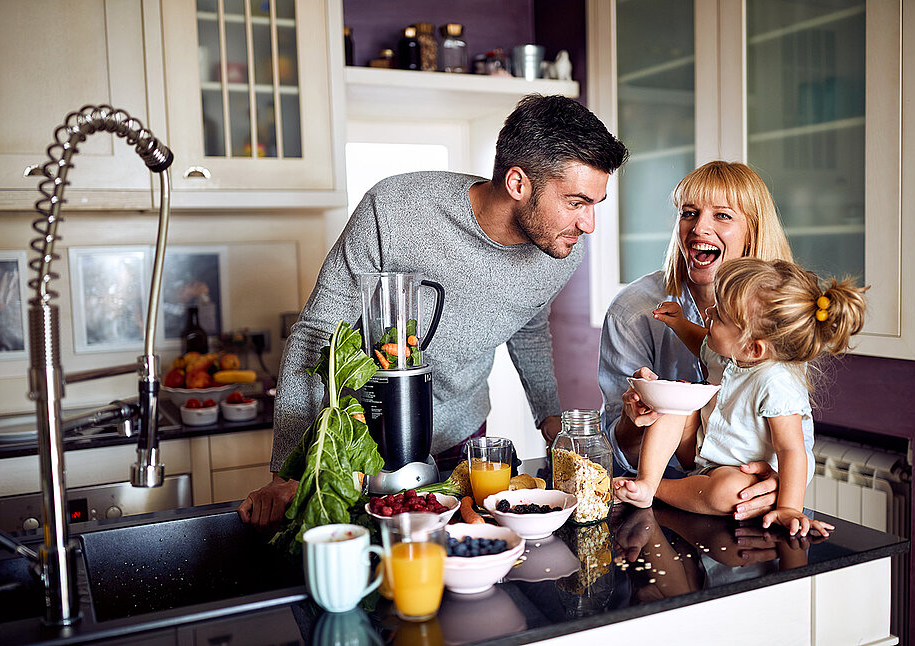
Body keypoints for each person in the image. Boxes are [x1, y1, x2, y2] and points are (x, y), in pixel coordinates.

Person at [239, 94, 629, 529]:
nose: (589, 224)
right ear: (517, 183)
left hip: (463, 441)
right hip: (361, 443)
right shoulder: (394, 210)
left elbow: (528, 326)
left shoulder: (562, 249)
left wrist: (552, 420)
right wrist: (287, 473)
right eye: (576, 202)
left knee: (462, 568)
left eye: (595, 204)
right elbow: (317, 333)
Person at [613, 258, 867, 537]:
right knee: (675, 397)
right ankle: (646, 482)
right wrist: (678, 323)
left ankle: (656, 490)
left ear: (754, 348)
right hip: (701, 452)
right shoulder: (730, 351)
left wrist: (790, 508)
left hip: (739, 472)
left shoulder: (776, 381)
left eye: (719, 316)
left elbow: (791, 449)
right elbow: (703, 342)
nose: (709, 312)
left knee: (731, 493)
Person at [597, 160, 793, 520]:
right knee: (678, 399)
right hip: (652, 507)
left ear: (752, 232)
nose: (699, 227)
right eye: (689, 213)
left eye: (722, 215)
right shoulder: (633, 311)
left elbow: (794, 430)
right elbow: (614, 450)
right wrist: (633, 418)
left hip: (741, 495)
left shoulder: (777, 314)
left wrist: (780, 486)